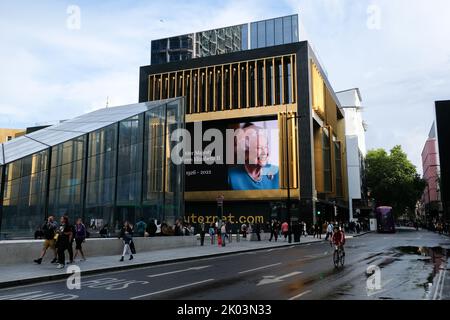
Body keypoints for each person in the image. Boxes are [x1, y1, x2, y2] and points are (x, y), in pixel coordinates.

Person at [228, 123, 279, 190]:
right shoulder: (231, 177)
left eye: (266, 147)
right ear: (245, 152)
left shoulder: (276, 172)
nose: (265, 152)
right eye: (259, 148)